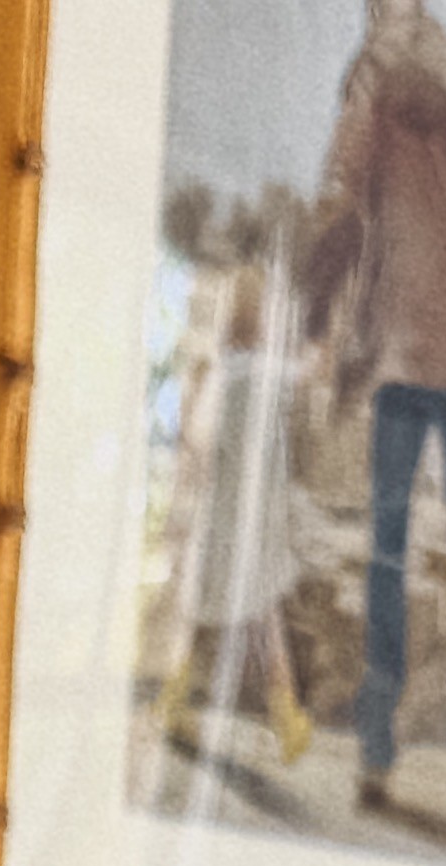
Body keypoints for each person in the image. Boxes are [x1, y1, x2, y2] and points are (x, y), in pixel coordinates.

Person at [300, 0, 446, 806]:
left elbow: (338, 194)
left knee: (389, 544)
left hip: (398, 347)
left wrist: (315, 312)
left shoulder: (373, 71)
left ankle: (376, 749)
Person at [155, 256, 314, 776]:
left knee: (222, 618)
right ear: (261, 319)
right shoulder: (264, 373)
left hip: (224, 523)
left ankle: (187, 704)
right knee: (257, 618)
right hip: (252, 526)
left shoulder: (221, 375)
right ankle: (283, 719)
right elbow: (309, 373)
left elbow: (198, 447)